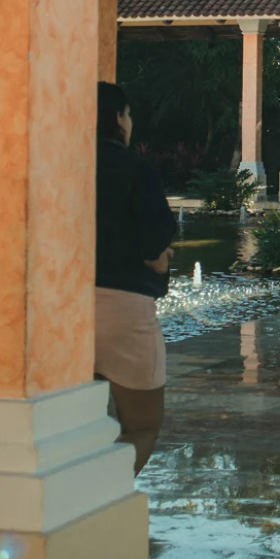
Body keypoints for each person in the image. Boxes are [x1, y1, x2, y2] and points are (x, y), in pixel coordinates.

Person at [96, 81, 176, 472]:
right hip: (123, 307)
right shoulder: (136, 170)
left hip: (56, 312)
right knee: (142, 426)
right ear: (118, 118)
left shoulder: (55, 166)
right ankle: (95, 502)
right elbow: (155, 239)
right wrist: (159, 258)